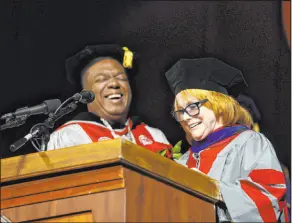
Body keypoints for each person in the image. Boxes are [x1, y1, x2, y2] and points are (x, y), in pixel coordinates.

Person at [165, 57, 289, 222]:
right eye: (180, 111)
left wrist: (209, 189)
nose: (186, 117)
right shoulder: (183, 162)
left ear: (219, 104)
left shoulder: (249, 143)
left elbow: (268, 197)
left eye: (193, 107)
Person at [47, 44, 172, 157]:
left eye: (121, 78)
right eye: (101, 79)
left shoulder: (154, 135)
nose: (114, 83)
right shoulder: (70, 136)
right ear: (86, 94)